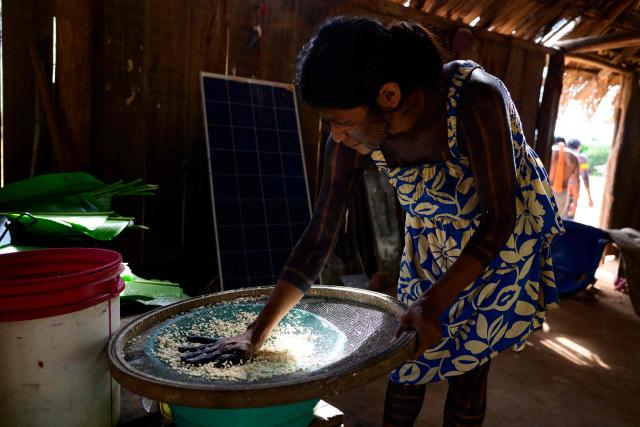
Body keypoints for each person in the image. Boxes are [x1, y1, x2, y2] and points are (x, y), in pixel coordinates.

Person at [181, 17, 564, 426]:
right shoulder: (351, 138)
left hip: (500, 239)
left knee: (469, 365)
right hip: (433, 239)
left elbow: (499, 218)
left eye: (342, 122)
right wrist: (255, 332)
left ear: (389, 94)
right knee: (405, 361)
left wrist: (432, 304)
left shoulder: (475, 100)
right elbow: (319, 237)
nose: (338, 136)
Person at [549, 137, 581, 219]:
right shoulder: (573, 157)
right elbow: (576, 183)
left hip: (544, 190)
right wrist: (575, 203)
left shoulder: (549, 152)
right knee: (556, 223)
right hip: (561, 195)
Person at [566, 138, 594, 219]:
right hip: (572, 190)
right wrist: (589, 197)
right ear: (579, 147)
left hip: (557, 190)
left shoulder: (562, 154)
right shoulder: (582, 158)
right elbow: (585, 176)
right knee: (569, 219)